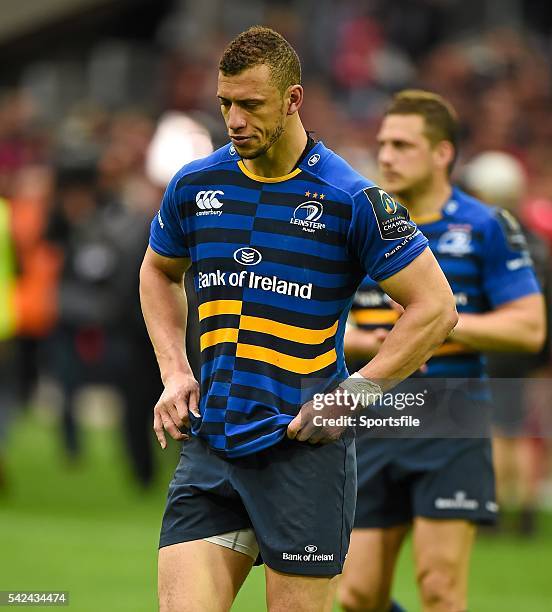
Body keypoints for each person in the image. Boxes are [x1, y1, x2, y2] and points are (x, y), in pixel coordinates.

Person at [139, 30, 457, 612]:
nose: (234, 120)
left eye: (252, 104)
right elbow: (158, 271)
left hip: (302, 455)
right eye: (225, 104)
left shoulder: (353, 198)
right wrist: (174, 371)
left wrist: (356, 393)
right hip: (213, 446)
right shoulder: (195, 185)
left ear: (293, 100)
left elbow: (435, 306)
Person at [339, 91, 546, 612]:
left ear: (442, 154)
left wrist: (438, 328)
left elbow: (529, 329)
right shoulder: (357, 227)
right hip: (374, 418)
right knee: (358, 593)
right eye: (383, 143)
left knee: (439, 588)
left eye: (402, 145)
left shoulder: (484, 226)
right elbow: (319, 325)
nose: (385, 155)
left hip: (452, 419)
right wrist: (369, 343)